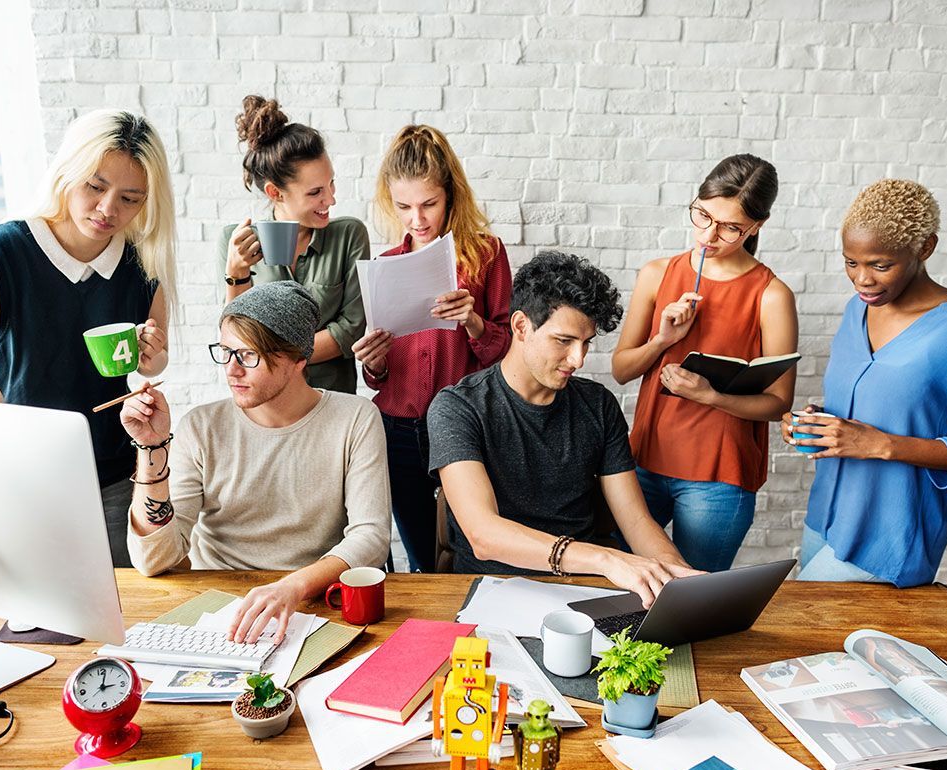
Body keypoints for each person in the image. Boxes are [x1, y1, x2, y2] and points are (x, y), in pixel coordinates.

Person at [0, 109, 177, 567]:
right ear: (67, 169)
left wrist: (153, 359)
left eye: (129, 198)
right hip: (21, 480)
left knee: (124, 617)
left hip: (111, 477)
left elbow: (150, 364)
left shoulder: (142, 266)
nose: (109, 209)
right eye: (95, 186)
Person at [783, 179, 947, 587]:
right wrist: (818, 424)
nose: (862, 280)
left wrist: (880, 444)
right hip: (824, 517)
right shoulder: (855, 312)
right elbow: (876, 406)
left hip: (888, 537)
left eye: (880, 265)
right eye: (850, 263)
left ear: (924, 248)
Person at [120, 281, 390, 643]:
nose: (231, 370)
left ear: (297, 359)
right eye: (226, 352)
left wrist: (292, 587)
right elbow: (154, 560)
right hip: (218, 612)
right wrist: (150, 448)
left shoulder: (355, 417)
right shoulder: (201, 427)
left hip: (313, 602)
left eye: (248, 355)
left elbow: (371, 536)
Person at [428, 252, 697, 606]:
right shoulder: (458, 407)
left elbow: (635, 520)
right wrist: (605, 558)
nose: (578, 360)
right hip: (489, 591)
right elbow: (483, 534)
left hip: (582, 591)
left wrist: (678, 578)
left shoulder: (598, 405)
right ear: (521, 326)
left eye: (586, 343)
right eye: (564, 341)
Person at [612, 154, 797, 572]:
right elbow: (622, 370)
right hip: (641, 464)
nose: (709, 235)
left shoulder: (772, 295)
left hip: (717, 480)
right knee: (619, 589)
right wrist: (663, 339)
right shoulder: (656, 273)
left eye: (730, 227)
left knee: (689, 602)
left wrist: (709, 395)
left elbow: (777, 402)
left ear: (757, 226)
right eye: (703, 215)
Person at [351, 124, 512, 572]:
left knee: (471, 549)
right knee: (421, 556)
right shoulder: (386, 266)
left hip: (464, 424)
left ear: (451, 196)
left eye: (428, 204)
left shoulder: (486, 255)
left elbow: (505, 356)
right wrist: (375, 361)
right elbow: (376, 377)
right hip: (397, 429)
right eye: (403, 206)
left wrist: (474, 321)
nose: (416, 219)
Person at [219, 95, 368, 393]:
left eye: (331, 184)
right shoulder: (236, 241)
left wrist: (272, 355)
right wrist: (237, 273)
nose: (331, 199)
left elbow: (351, 330)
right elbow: (239, 338)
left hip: (331, 401)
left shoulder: (349, 235)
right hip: (266, 403)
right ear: (275, 192)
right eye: (315, 192)